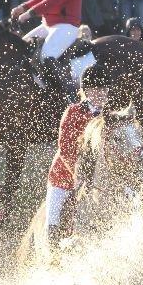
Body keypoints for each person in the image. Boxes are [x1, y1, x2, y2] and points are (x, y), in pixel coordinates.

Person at [45, 64, 110, 251]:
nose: (100, 94)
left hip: (100, 177)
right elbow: (65, 147)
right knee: (54, 217)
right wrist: (79, 175)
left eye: (104, 90)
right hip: (65, 176)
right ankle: (52, 251)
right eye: (95, 90)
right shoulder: (73, 112)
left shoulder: (110, 115)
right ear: (85, 92)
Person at [10, 0, 85, 103]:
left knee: (47, 56)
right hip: (47, 25)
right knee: (21, 48)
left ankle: (70, 96)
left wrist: (30, 13)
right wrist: (22, 7)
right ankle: (38, 88)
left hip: (67, 25)